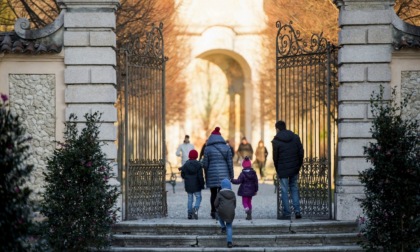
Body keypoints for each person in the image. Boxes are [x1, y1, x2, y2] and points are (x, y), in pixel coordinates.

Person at [271, 120, 304, 220]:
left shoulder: (276, 141)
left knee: (284, 190)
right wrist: (298, 165)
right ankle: (297, 211)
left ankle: (287, 213)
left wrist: (278, 169)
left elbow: (275, 157)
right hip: (294, 168)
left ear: (277, 129)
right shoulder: (295, 137)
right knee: (294, 188)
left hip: (282, 169)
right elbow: (301, 152)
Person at [202, 127, 234, 219]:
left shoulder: (207, 148)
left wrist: (206, 175)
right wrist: (231, 175)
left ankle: (213, 211)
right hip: (224, 175)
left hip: (212, 174)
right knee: (222, 193)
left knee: (213, 194)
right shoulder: (227, 148)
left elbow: (205, 164)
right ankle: (221, 211)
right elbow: (230, 163)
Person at [231, 156, 258, 220]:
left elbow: (238, 181)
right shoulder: (253, 173)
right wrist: (256, 190)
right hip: (251, 190)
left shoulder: (243, 173)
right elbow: (256, 182)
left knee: (244, 202)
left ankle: (247, 211)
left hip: (244, 190)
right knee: (249, 202)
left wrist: (232, 180)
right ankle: (250, 212)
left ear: (243, 165)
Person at [180, 149, 205, 220]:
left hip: (188, 185)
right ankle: (196, 208)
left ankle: (189, 213)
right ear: (196, 156)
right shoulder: (198, 165)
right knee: (198, 197)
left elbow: (182, 175)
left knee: (190, 199)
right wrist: (202, 184)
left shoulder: (186, 164)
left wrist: (186, 178)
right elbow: (200, 176)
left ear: (189, 156)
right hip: (197, 184)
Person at [214, 178, 236, 248]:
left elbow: (215, 204)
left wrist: (217, 207)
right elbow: (235, 204)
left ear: (222, 186)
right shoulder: (233, 194)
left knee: (219, 214)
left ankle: (223, 227)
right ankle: (229, 242)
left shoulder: (220, 193)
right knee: (229, 226)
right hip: (231, 212)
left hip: (222, 211)